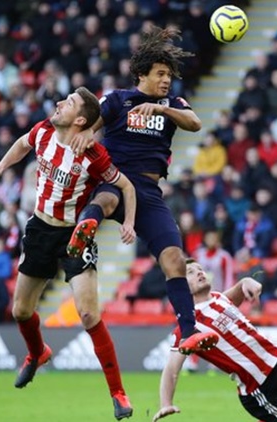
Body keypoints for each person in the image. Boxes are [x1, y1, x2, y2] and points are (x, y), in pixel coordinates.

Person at [0, 87, 138, 420]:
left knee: (89, 315)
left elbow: (125, 185)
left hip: (74, 234)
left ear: (80, 119)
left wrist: (129, 221)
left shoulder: (93, 154)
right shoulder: (43, 131)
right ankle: (37, 353)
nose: (57, 104)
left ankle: (118, 394)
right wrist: (0, 166)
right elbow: (23, 143)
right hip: (40, 229)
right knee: (21, 311)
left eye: (67, 103)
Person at [65, 24, 218, 355]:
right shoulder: (118, 100)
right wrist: (84, 133)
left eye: (169, 75)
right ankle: (85, 227)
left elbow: (195, 124)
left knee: (175, 259)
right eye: (160, 74)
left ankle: (189, 332)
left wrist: (162, 108)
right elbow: (91, 123)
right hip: (115, 177)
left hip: (149, 192)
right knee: (106, 197)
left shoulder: (173, 103)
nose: (166, 80)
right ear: (141, 74)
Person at [152, 259, 277, 422]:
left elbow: (241, 289)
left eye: (199, 269)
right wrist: (166, 404)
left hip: (276, 370)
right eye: (190, 272)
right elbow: (171, 369)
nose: (199, 273)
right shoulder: (189, 325)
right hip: (259, 387)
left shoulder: (219, 298)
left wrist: (247, 281)